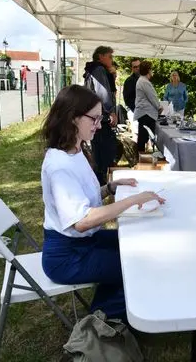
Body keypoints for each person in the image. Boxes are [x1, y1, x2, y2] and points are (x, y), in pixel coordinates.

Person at [40, 84, 165, 319]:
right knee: (137, 266)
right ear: (73, 118)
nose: (99, 125)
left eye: (101, 118)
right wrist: (132, 200)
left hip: (84, 243)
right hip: (67, 257)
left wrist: (110, 187)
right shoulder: (60, 166)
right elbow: (82, 221)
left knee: (139, 244)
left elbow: (81, 199)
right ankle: (101, 322)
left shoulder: (74, 151)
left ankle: (104, 306)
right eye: (94, 119)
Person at [83, 46, 118, 185]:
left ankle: (100, 180)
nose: (111, 60)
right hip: (101, 118)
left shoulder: (94, 69)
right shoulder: (99, 70)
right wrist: (111, 113)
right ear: (101, 56)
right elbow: (103, 94)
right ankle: (102, 182)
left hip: (96, 117)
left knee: (99, 151)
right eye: (109, 56)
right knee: (105, 153)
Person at [134, 61, 162, 155]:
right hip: (146, 114)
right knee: (143, 138)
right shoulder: (144, 82)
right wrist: (159, 107)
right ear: (149, 70)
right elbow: (152, 97)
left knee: (143, 138)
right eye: (151, 69)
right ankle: (140, 158)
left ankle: (141, 157)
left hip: (145, 113)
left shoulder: (143, 80)